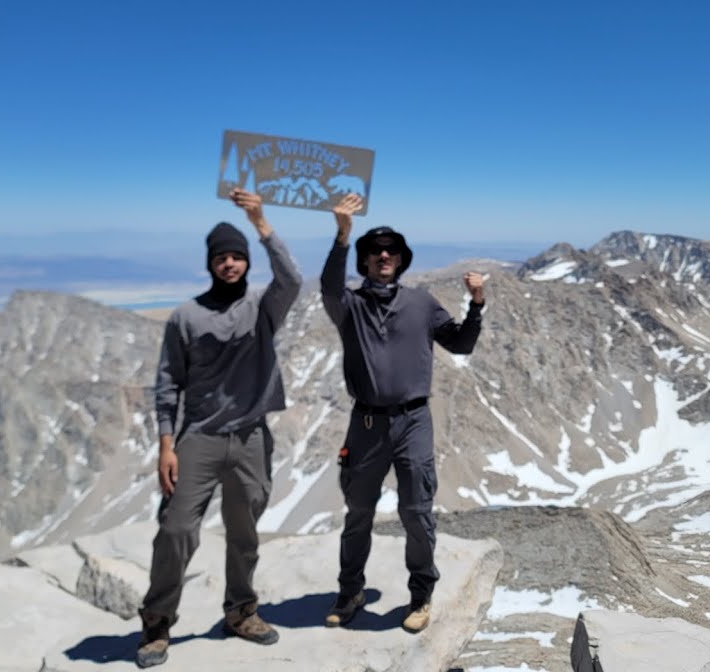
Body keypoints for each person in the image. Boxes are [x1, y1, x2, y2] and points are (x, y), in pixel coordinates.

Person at [136, 189, 302, 668]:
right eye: (221, 258)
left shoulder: (262, 309)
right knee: (176, 530)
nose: (229, 264)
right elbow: (167, 384)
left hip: (251, 437)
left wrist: (260, 223)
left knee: (244, 532)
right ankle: (156, 625)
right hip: (199, 441)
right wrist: (166, 446)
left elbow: (291, 278)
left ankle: (241, 612)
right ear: (209, 264)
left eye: (236, 256)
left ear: (246, 262)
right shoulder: (186, 317)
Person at [319, 193, 485, 634]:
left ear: (402, 259)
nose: (384, 255)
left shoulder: (422, 303)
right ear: (365, 261)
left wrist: (477, 304)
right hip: (367, 423)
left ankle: (421, 595)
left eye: (391, 250)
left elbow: (461, 343)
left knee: (416, 511)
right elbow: (329, 288)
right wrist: (342, 233)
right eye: (374, 251)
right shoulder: (349, 307)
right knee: (358, 512)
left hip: (413, 421)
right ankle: (350, 591)